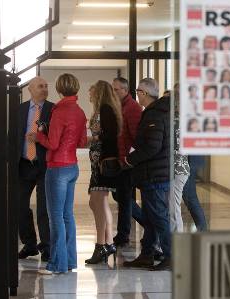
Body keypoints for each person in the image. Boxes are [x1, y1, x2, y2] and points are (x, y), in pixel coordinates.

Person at [29, 73, 87, 274]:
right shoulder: (79, 111)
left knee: (55, 217)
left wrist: (38, 136)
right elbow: (82, 142)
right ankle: (69, 261)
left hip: (57, 168)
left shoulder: (59, 111)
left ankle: (56, 264)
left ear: (60, 89)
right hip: (72, 167)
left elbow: (52, 143)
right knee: (67, 216)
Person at [122, 78, 171, 271]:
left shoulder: (154, 114)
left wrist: (130, 160)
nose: (137, 96)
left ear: (143, 93)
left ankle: (171, 255)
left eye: (138, 92)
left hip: (154, 174)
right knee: (151, 217)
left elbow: (152, 146)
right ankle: (147, 254)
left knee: (158, 217)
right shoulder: (157, 112)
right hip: (153, 173)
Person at [85, 80, 122, 264]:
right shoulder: (105, 109)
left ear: (98, 92)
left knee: (97, 202)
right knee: (99, 203)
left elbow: (110, 135)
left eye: (91, 91)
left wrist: (95, 137)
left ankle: (101, 244)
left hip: (102, 164)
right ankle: (108, 242)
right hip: (98, 163)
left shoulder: (106, 109)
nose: (89, 94)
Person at [18, 76, 54, 262]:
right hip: (24, 164)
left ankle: (46, 246)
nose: (44, 88)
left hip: (44, 165)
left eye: (46, 86)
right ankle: (29, 244)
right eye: (41, 86)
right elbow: (13, 135)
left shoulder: (52, 109)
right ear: (30, 89)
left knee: (43, 208)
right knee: (19, 205)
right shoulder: (20, 109)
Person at [112, 77, 144, 248]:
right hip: (121, 160)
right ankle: (123, 233)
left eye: (116, 89)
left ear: (125, 90)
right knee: (120, 196)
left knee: (123, 197)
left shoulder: (132, 108)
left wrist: (129, 159)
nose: (114, 92)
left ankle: (124, 234)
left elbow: (137, 137)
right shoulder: (122, 106)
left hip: (127, 162)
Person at [170, 83, 190, 232]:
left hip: (176, 168)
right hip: (181, 167)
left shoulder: (175, 121)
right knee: (172, 206)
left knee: (173, 208)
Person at [182, 155, 207, 231]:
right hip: (190, 162)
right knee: (191, 198)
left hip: (188, 163)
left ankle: (203, 231)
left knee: (190, 198)